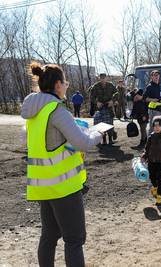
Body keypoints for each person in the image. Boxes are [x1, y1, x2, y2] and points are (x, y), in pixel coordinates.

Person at [21, 62, 103, 267]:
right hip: (63, 187)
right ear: (58, 85)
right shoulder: (56, 110)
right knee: (74, 240)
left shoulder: (34, 110)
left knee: (49, 236)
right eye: (65, 82)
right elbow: (83, 142)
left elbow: (47, 143)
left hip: (43, 186)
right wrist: (99, 134)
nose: (66, 85)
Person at [142, 116, 161, 205]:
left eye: (158, 126)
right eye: (155, 126)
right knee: (152, 177)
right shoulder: (151, 137)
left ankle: (159, 196)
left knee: (160, 179)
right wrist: (144, 155)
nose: (157, 128)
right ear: (152, 127)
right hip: (151, 161)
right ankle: (154, 187)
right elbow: (147, 148)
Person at [89, 73, 117, 145]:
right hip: (100, 107)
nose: (103, 79)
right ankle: (103, 139)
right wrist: (96, 102)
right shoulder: (95, 86)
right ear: (99, 78)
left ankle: (110, 139)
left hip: (108, 106)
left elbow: (117, 93)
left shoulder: (110, 85)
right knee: (101, 124)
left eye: (104, 78)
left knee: (110, 123)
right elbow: (91, 96)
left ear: (106, 78)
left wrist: (112, 101)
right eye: (101, 78)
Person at [144, 70, 161, 134]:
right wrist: (153, 100)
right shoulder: (149, 86)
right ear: (151, 77)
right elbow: (145, 98)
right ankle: (150, 142)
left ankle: (157, 142)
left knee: (159, 127)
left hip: (160, 110)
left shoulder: (160, 86)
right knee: (152, 127)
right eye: (154, 75)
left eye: (157, 75)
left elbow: (160, 97)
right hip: (152, 111)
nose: (156, 76)